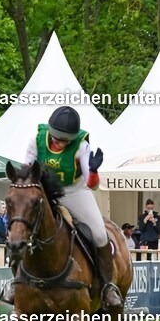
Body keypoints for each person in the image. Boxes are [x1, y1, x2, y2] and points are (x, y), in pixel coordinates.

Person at [19, 107, 121, 307]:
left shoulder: (81, 146)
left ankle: (108, 286)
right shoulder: (35, 141)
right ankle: (16, 283)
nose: (61, 142)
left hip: (74, 192)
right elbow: (26, 173)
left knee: (100, 234)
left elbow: (93, 185)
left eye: (66, 140)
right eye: (58, 138)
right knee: (21, 230)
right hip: (45, 193)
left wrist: (93, 171)